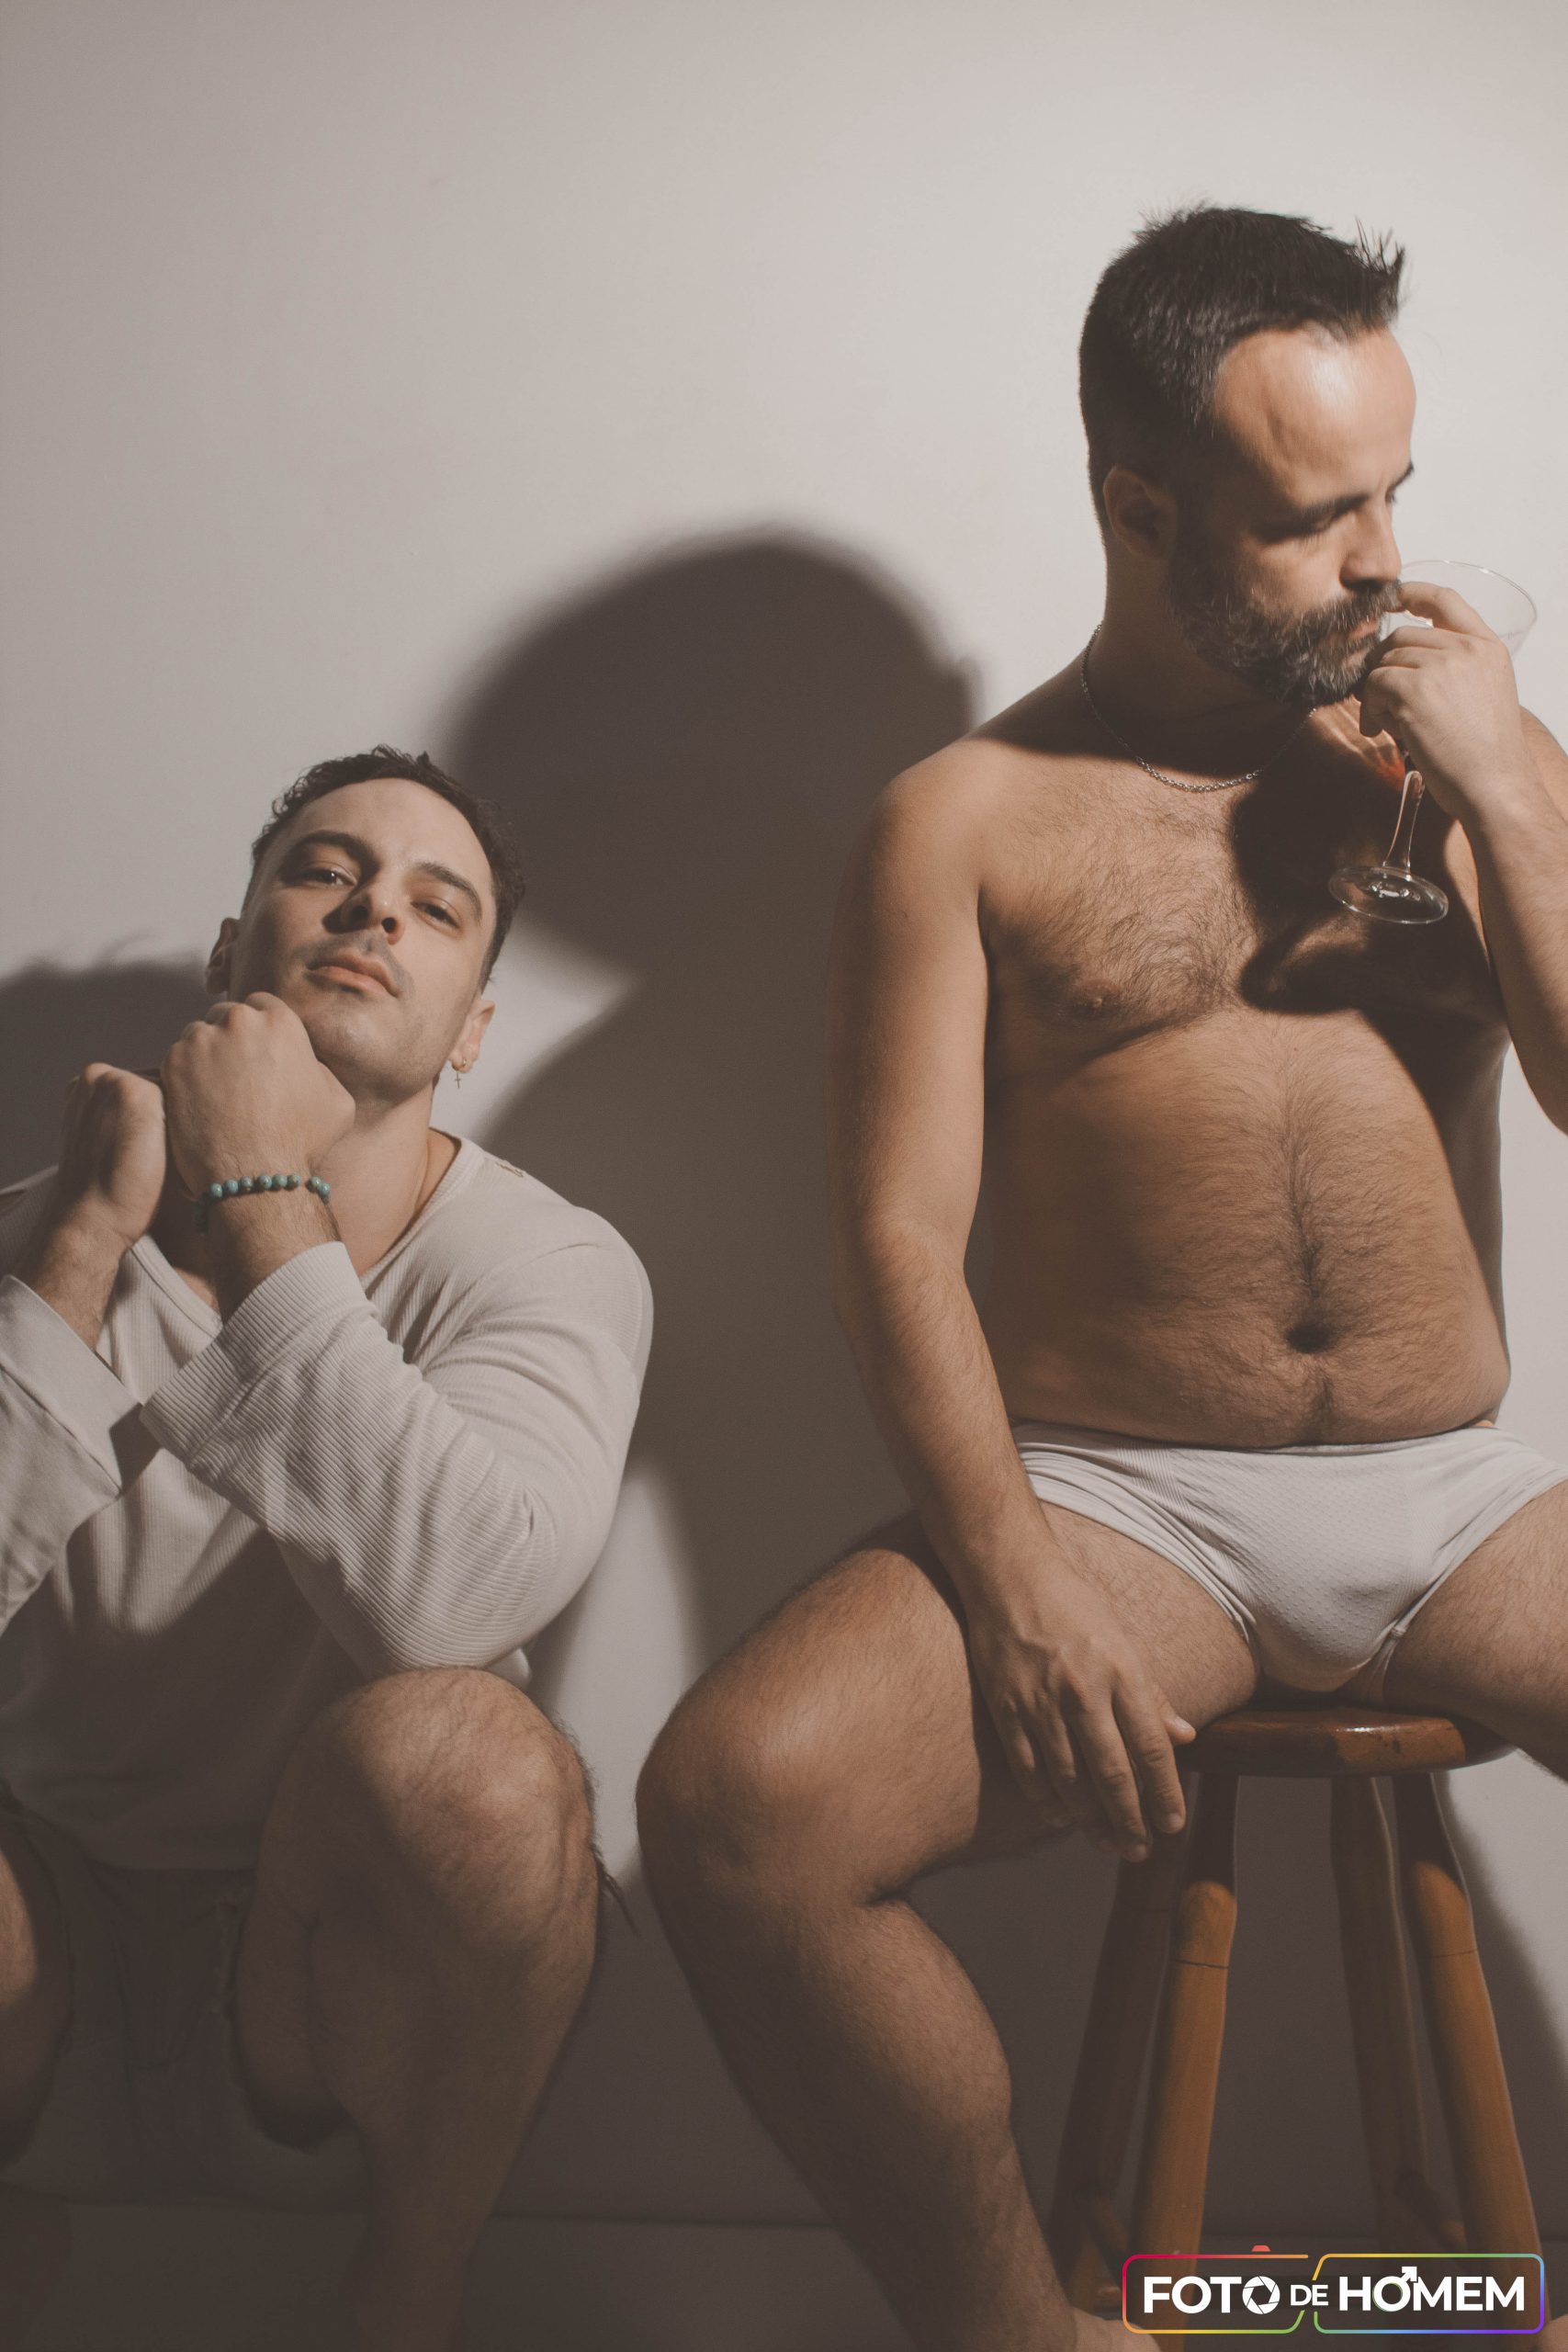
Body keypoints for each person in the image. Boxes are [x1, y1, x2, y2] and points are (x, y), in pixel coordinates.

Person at [636, 207, 1568, 2352]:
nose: (1379, 562)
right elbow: (894, 1237)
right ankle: (1032, 2332)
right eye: (1310, 517)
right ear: (1138, 510)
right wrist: (1009, 1582)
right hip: (1125, 1508)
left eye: (1393, 492)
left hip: (1455, 1493)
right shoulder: (961, 819)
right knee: (735, 1813)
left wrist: (1510, 780)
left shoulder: (1454, 752)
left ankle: (1458, 2306)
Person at [0, 748, 651, 2351]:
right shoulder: (43, 1223)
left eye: (438, 907)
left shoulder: (547, 1263)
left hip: (320, 1967)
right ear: (233, 951)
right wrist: (75, 1251)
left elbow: (456, 1604)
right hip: (34, 1926)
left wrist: (261, 1193)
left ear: (472, 1027)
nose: (374, 914)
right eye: (327, 871)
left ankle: (404, 2298)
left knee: (483, 1760)